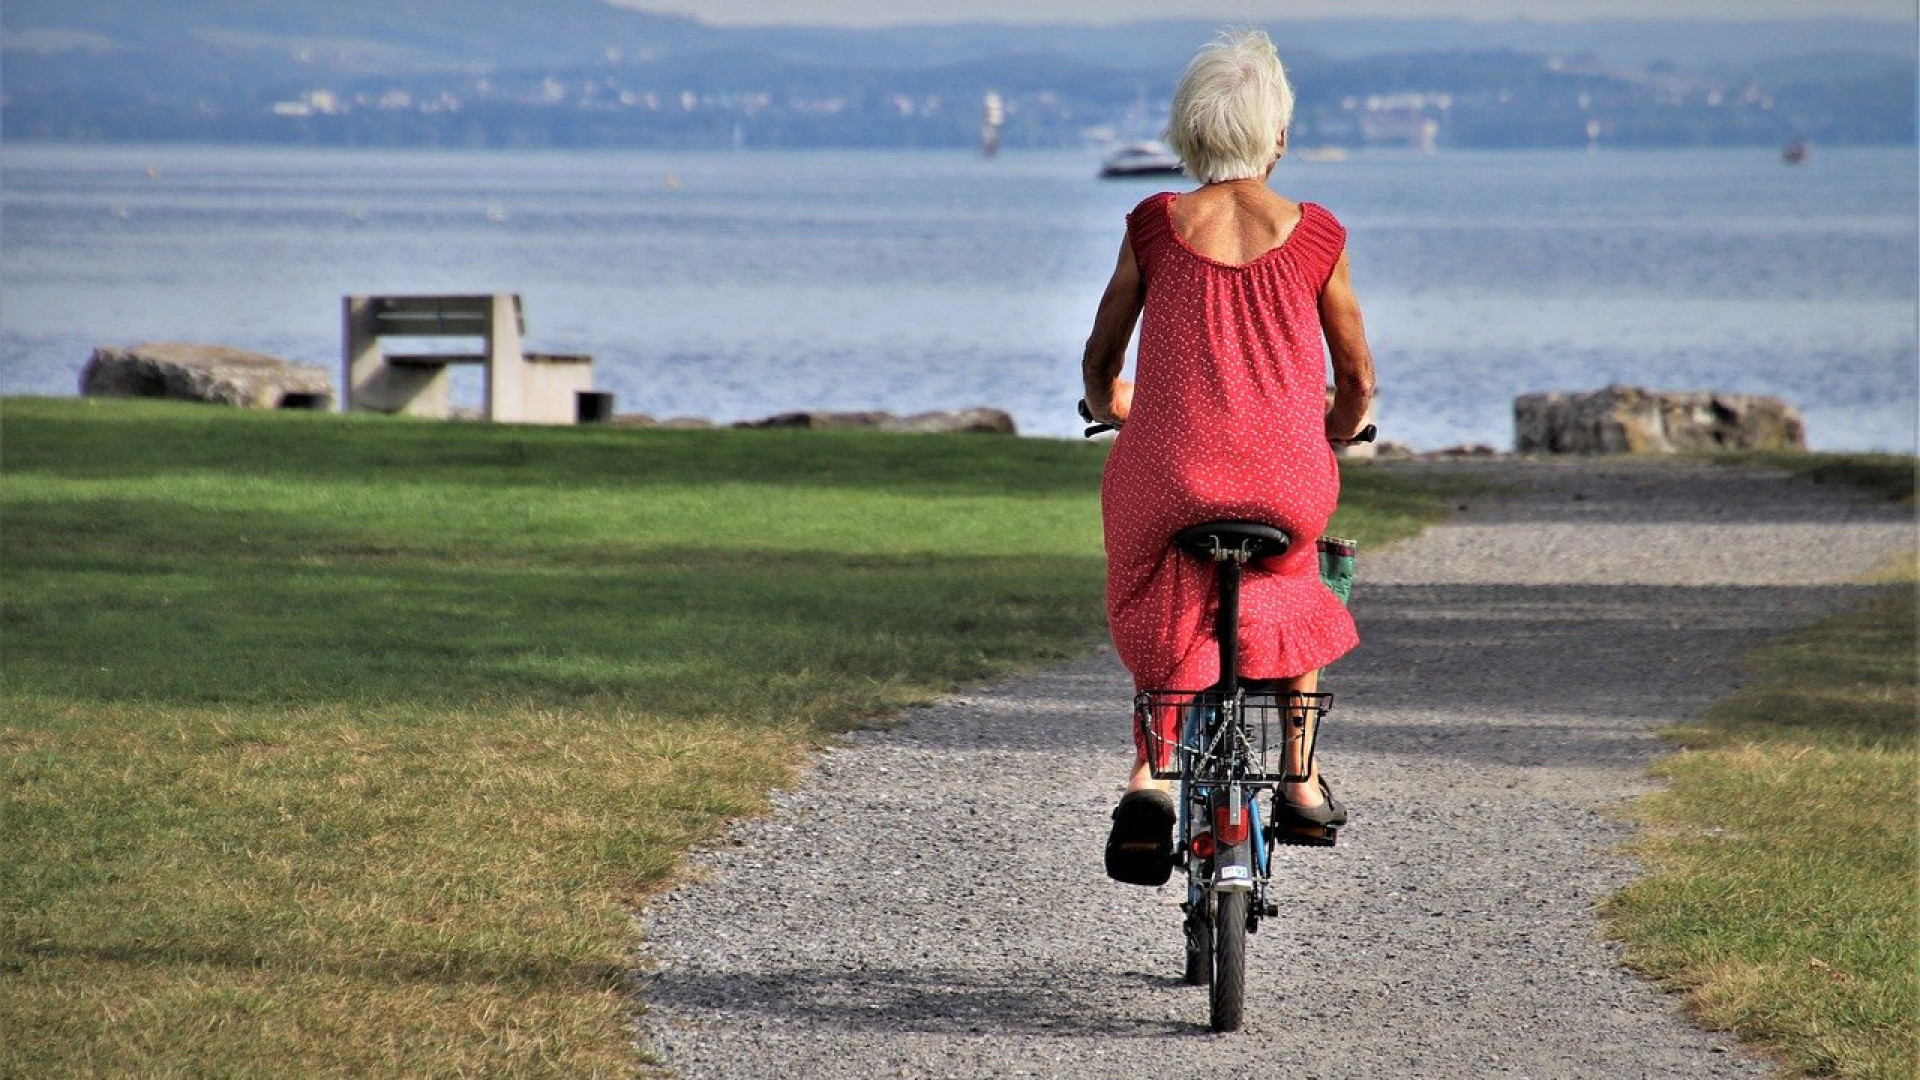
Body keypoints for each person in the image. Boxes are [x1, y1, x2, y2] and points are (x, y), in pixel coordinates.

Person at [1082, 28, 1377, 885]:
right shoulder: (1317, 234)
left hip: (1170, 473)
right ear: (1276, 136)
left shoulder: (1154, 225)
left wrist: (1112, 408)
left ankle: (1152, 778)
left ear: (1187, 132)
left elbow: (1103, 362)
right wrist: (1341, 426)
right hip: (1285, 478)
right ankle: (1298, 775)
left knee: (1163, 574)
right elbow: (1355, 374)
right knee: (1294, 577)